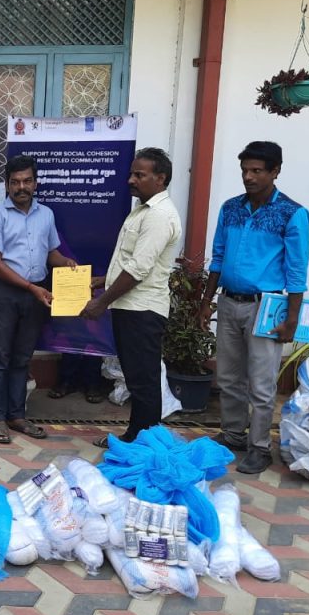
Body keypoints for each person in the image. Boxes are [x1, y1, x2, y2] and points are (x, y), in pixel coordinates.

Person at [198, 141, 309, 474]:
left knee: (261, 383)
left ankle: (260, 447)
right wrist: (206, 302)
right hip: (229, 301)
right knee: (228, 376)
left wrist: (292, 320)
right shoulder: (231, 208)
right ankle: (233, 434)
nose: (248, 177)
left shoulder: (292, 213)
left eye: (257, 171)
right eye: (245, 170)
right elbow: (218, 257)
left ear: (275, 171)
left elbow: (297, 271)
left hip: (266, 308)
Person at [79, 147, 181, 448]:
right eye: (132, 174)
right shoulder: (143, 209)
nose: (131, 180)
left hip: (143, 310)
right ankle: (137, 437)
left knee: (143, 379)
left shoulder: (159, 216)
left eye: (139, 175)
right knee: (137, 376)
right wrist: (102, 281)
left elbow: (138, 269)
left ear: (160, 178)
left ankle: (144, 443)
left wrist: (101, 301)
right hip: (131, 307)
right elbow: (130, 262)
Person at [0, 155, 76, 444]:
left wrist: (66, 262)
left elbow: (50, 252)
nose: (21, 187)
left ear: (35, 183)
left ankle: (17, 416)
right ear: (7, 185)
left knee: (22, 358)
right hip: (4, 295)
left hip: (36, 296)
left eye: (27, 181)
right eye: (15, 182)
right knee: (1, 358)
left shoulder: (46, 215)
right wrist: (30, 288)